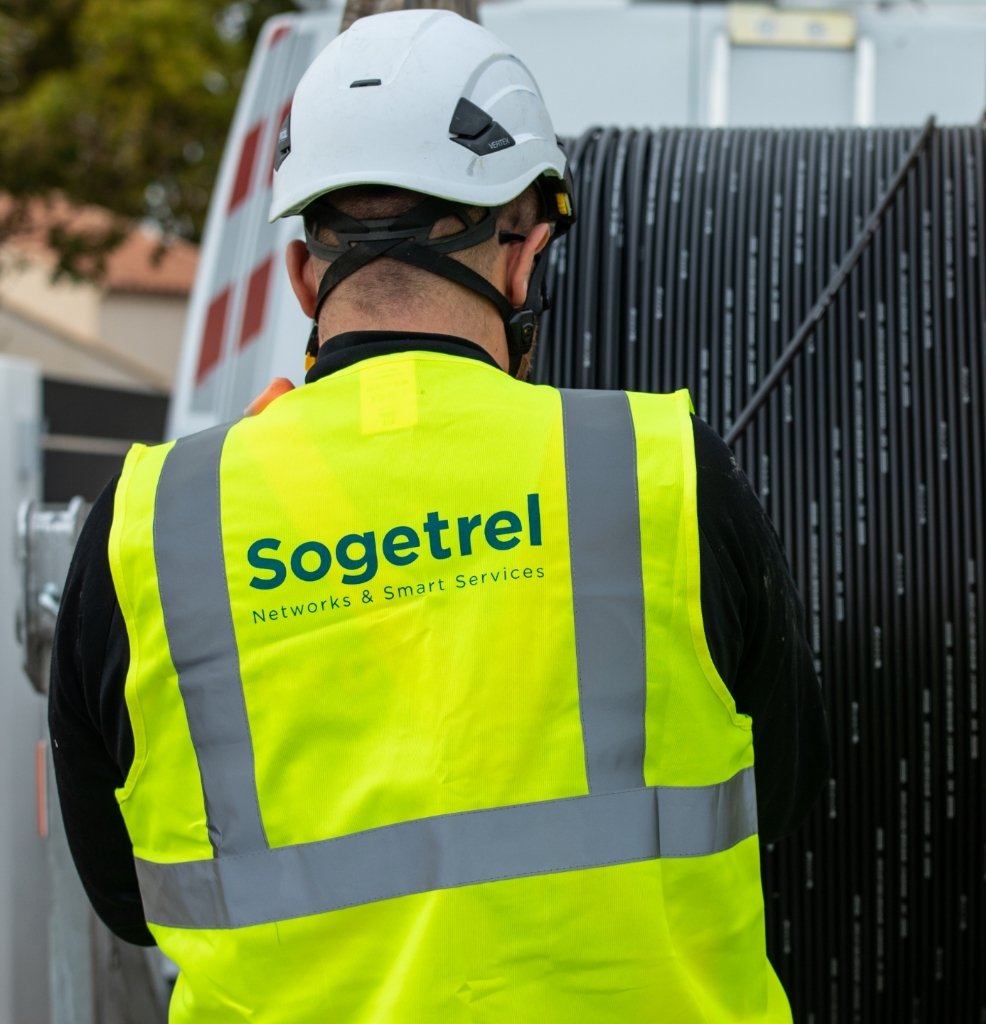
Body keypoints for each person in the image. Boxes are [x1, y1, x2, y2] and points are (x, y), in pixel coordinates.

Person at [49, 10, 828, 1022]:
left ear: (302, 277)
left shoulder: (152, 524)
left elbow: (129, 896)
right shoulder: (663, 471)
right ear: (523, 257)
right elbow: (785, 795)